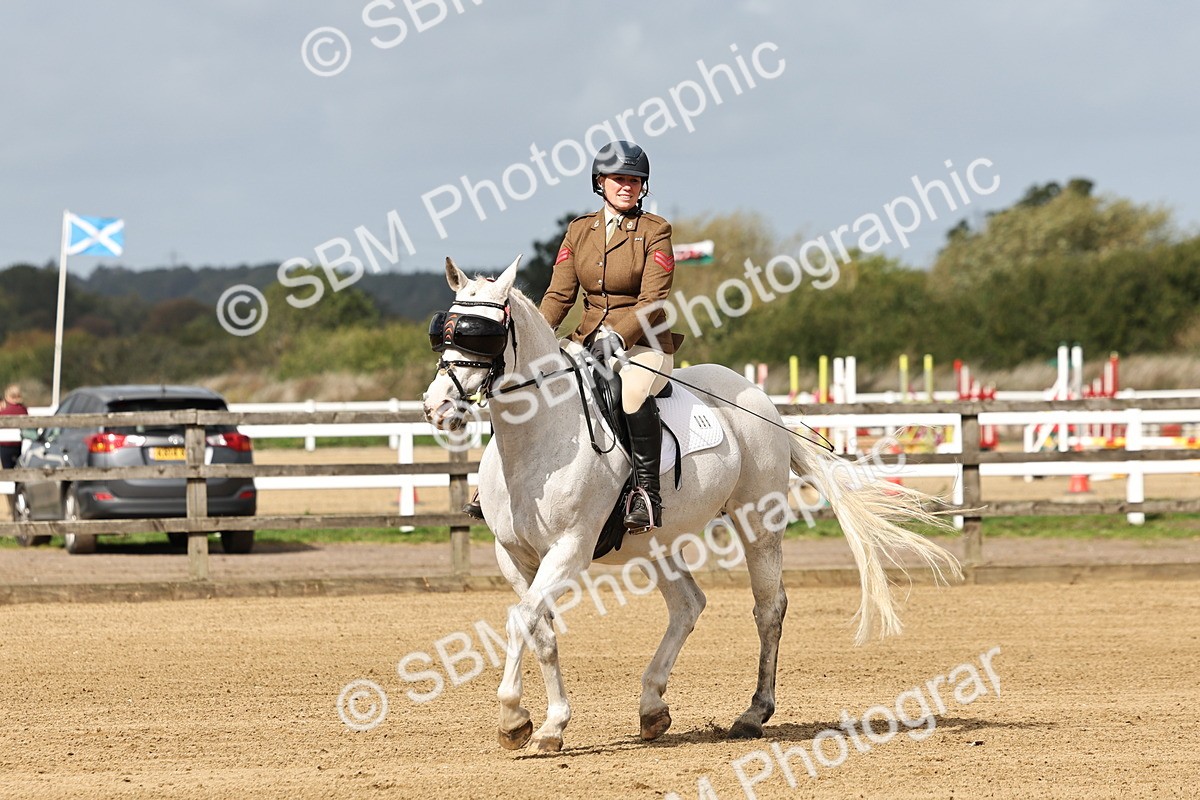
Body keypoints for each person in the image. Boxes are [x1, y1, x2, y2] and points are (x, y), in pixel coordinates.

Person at [537, 140, 683, 531]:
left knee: (631, 392)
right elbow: (559, 294)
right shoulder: (579, 231)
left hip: (644, 344)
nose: (627, 186)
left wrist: (618, 336)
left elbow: (654, 301)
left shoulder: (655, 230)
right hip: (585, 340)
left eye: (635, 180)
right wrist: (536, 336)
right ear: (600, 182)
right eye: (618, 179)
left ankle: (647, 494)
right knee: (529, 383)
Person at [0, 384, 28, 471]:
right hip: (19, 445)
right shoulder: (23, 410)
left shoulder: (5, 412)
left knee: (7, 471)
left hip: (5, 445)